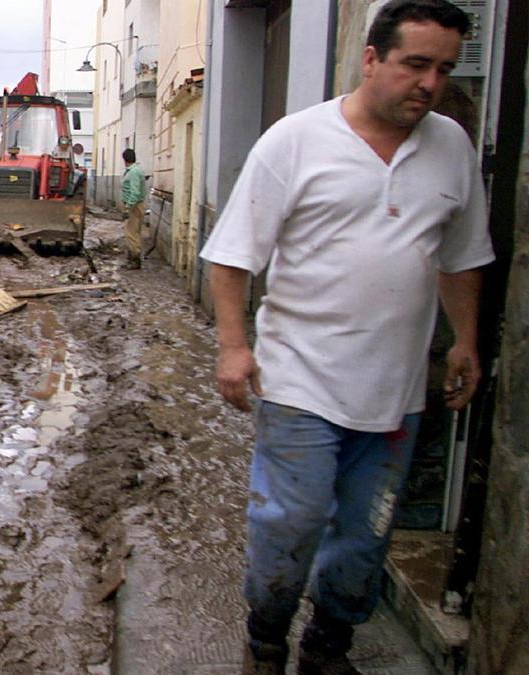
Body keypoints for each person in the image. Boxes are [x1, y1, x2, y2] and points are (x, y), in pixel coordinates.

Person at [197, 2, 491, 673]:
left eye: (442, 69)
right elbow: (233, 255)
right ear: (371, 59)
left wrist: (465, 340)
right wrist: (234, 347)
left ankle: (328, 647)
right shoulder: (296, 142)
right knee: (290, 525)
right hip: (299, 380)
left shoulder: (451, 148)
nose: (429, 83)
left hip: (396, 392)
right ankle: (265, 638)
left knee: (365, 537)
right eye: (415, 64)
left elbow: (462, 255)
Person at [120, 148, 146, 269]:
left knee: (130, 233)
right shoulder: (135, 170)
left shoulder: (134, 172)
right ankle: (131, 259)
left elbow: (135, 192)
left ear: (125, 160)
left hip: (134, 206)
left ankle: (135, 261)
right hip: (136, 204)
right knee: (134, 232)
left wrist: (127, 207)